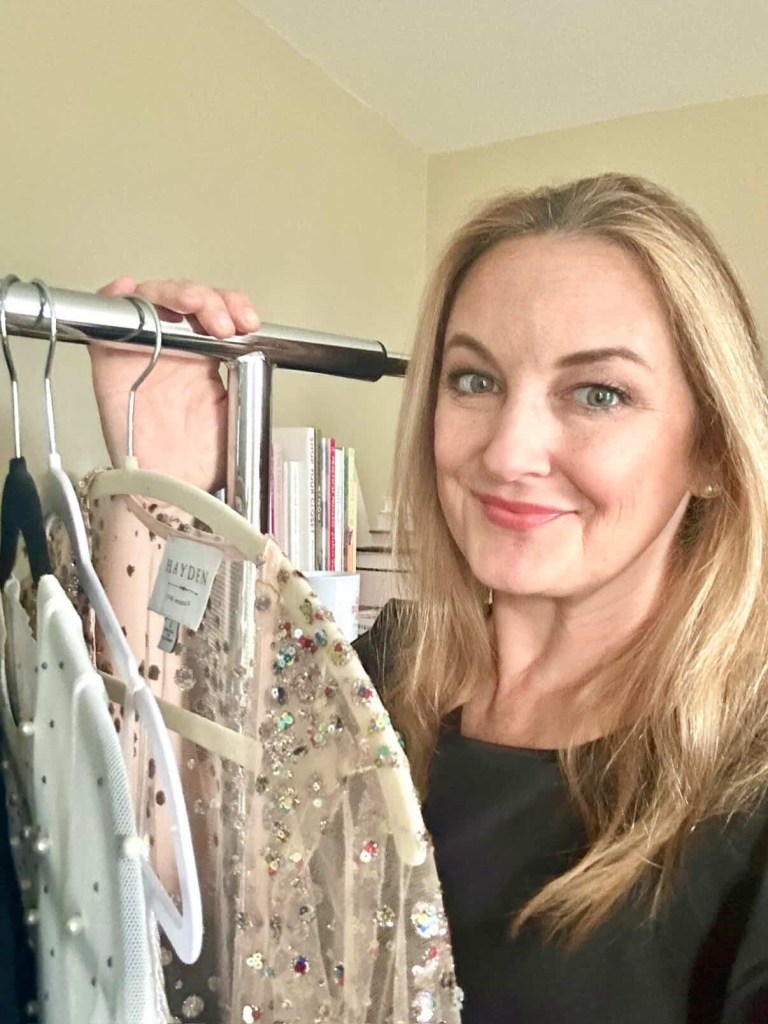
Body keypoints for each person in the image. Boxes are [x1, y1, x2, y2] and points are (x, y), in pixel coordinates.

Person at [90, 174, 768, 1022]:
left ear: (710, 448)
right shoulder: (384, 668)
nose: (509, 451)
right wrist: (166, 487)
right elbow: (191, 886)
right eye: (474, 381)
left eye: (599, 393)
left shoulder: (750, 782)